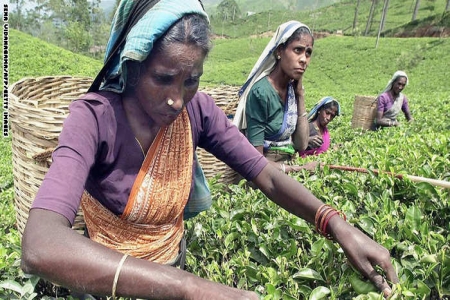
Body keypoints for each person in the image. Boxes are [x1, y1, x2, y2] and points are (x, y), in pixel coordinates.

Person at [21, 1, 398, 299]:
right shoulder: (94, 117)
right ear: (133, 65)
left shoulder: (196, 109)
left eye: (191, 81)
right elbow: (40, 244)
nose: (175, 100)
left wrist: (336, 224)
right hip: (102, 282)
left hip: (172, 263)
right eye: (163, 78)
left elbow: (264, 172)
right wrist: (188, 287)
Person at [233, 21, 316, 174]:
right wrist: (298, 169)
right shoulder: (261, 92)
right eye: (298, 50)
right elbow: (255, 159)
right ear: (279, 51)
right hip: (263, 172)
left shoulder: (293, 91)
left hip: (287, 164)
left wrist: (300, 95)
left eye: (308, 53)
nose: (304, 59)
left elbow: (302, 144)